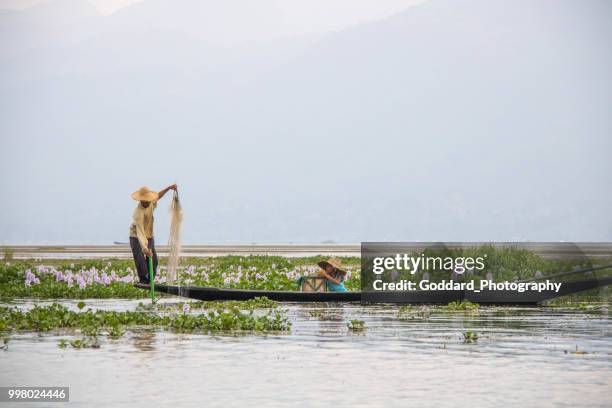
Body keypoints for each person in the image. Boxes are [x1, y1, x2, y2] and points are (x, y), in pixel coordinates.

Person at [129, 184, 177, 283]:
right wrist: (145, 248)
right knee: (140, 259)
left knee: (154, 260)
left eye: (147, 200)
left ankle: (150, 279)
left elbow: (158, 195)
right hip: (136, 236)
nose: (146, 202)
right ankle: (144, 279)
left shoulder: (150, 202)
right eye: (144, 200)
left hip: (149, 234)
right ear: (140, 200)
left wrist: (169, 188)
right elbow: (140, 232)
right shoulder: (138, 213)